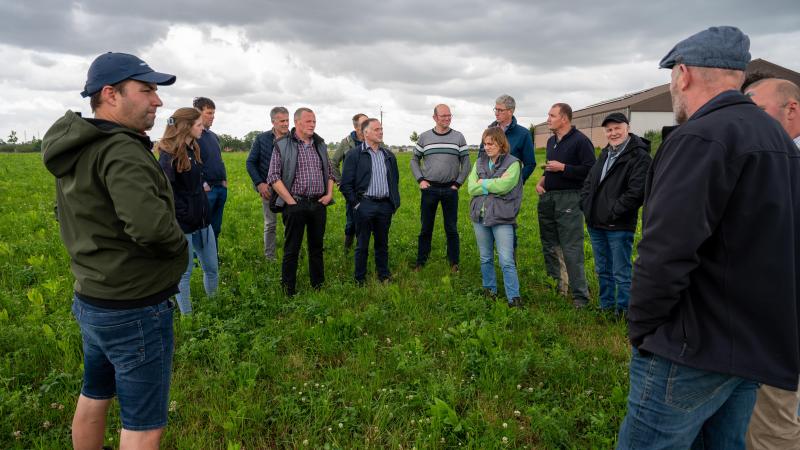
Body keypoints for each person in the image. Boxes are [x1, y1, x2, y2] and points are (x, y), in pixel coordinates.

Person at [617, 26, 800, 449]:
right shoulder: (777, 139)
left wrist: (643, 333)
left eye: (671, 80)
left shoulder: (700, 136)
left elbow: (665, 250)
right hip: (750, 347)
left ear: (683, 75)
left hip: (690, 346)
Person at [42, 52, 187, 450]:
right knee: (143, 425)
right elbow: (151, 228)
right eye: (147, 90)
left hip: (93, 298)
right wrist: (180, 245)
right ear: (110, 94)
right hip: (134, 305)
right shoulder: (120, 150)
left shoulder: (81, 145)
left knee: (94, 393)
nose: (157, 101)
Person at [743, 77, 800, 450]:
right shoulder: (772, 157)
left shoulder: (786, 162)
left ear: (791, 109)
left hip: (782, 316)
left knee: (773, 424)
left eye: (758, 112)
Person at [580, 113, 651, 315]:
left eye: (617, 128)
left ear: (627, 127)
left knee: (621, 271)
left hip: (618, 225)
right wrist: (586, 205)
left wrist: (613, 212)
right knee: (603, 270)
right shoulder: (605, 154)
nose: (613, 133)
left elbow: (636, 192)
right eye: (609, 130)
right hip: (596, 223)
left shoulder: (639, 156)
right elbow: (589, 182)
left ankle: (625, 311)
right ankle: (606, 306)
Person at [266, 107, 334, 296]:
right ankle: (288, 290)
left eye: (314, 121)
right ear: (297, 123)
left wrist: (328, 195)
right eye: (308, 121)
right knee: (291, 249)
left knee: (316, 247)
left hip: (318, 203)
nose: (312, 125)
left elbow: (329, 172)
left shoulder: (319, 144)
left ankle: (318, 285)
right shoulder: (282, 145)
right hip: (295, 203)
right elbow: (273, 176)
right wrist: (291, 202)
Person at [156, 107, 218, 315]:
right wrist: (183, 214)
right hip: (183, 224)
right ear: (186, 127)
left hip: (203, 220)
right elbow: (166, 192)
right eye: (199, 125)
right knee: (185, 273)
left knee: (212, 267)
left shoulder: (194, 149)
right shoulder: (168, 155)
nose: (203, 128)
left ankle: (214, 307)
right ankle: (188, 317)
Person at [535, 103, 595, 307]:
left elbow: (590, 170)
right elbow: (550, 167)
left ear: (565, 119)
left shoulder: (581, 141)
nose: (548, 119)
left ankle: (580, 296)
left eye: (552, 115)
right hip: (549, 198)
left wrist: (564, 168)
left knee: (571, 248)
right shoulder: (552, 141)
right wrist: (542, 180)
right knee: (550, 245)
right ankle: (557, 287)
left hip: (570, 198)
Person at [339, 118, 400, 284]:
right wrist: (357, 205)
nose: (380, 132)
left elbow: (394, 180)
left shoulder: (388, 155)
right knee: (362, 244)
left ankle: (384, 275)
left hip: (384, 206)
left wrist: (392, 203)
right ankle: (360, 278)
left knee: (382, 243)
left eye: (381, 129)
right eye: (376, 129)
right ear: (365, 133)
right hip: (364, 205)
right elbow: (346, 185)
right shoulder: (354, 155)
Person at [467, 127, 524, 307]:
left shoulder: (513, 163)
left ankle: (513, 298)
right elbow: (470, 188)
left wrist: (482, 183)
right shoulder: (479, 162)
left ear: (500, 143)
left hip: (502, 217)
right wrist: (493, 184)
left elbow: (505, 186)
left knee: (506, 259)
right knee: (485, 257)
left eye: (490, 143)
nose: (487, 147)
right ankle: (489, 290)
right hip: (480, 217)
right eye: (485, 144)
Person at [411, 104, 470, 272]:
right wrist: (420, 180)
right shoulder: (424, 137)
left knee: (451, 228)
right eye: (443, 116)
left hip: (450, 190)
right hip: (429, 189)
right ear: (435, 118)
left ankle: (454, 262)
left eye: (449, 115)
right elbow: (414, 160)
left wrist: (457, 184)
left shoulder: (459, 137)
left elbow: (466, 163)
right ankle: (421, 261)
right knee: (425, 227)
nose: (447, 118)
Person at [246, 106, 290, 260]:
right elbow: (250, 162)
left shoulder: (294, 139)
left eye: (287, 120)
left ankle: (289, 255)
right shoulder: (261, 139)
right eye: (282, 121)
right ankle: (270, 257)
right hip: (268, 189)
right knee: (270, 224)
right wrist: (259, 184)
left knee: (289, 223)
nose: (285, 124)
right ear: (273, 121)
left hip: (289, 189)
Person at [331, 113, 368, 250]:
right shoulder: (346, 142)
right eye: (364, 123)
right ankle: (347, 249)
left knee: (367, 219)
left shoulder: (373, 140)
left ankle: (362, 248)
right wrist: (340, 182)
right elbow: (333, 162)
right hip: (352, 190)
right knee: (352, 220)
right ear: (356, 127)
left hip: (370, 189)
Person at [193, 96, 227, 245]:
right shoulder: (194, 136)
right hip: (207, 190)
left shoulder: (213, 136)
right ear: (198, 112)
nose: (213, 117)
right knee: (202, 227)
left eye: (213, 113)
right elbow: (192, 164)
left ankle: (213, 258)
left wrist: (224, 181)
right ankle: (198, 262)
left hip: (220, 187)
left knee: (216, 228)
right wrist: (203, 184)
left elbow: (218, 159)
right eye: (209, 113)